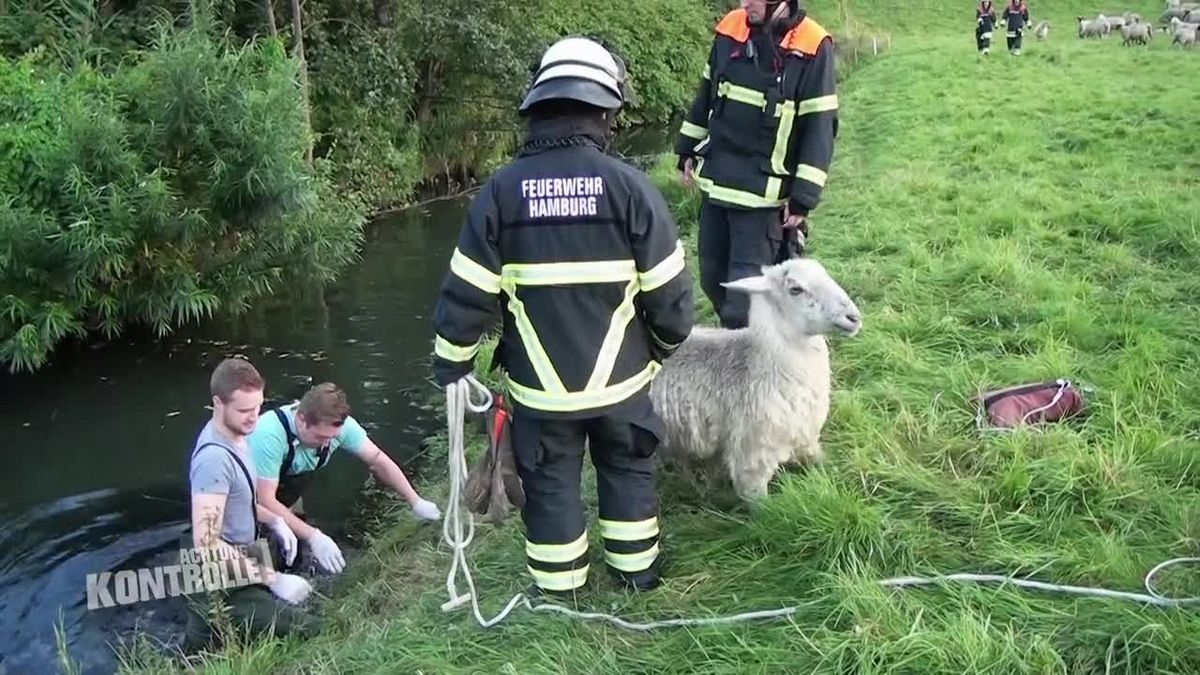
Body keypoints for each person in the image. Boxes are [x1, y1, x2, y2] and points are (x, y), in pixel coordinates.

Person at [430, 36, 694, 595]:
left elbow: (466, 294)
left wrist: (452, 368)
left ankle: (559, 591)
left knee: (549, 486)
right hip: (623, 385)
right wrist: (659, 351)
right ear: (605, 110)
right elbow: (673, 302)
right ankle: (636, 577)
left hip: (539, 394)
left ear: (539, 108)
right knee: (627, 474)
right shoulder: (631, 188)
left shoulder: (499, 193)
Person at [675, 0, 837, 329]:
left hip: (763, 200)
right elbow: (706, 94)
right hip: (717, 187)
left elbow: (820, 126)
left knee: (743, 301)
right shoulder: (730, 28)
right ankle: (760, 338)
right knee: (712, 279)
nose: (743, 3)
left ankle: (752, 364)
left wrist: (803, 197)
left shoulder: (812, 44)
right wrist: (686, 148)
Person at [184, 357, 319, 648]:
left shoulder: (239, 436)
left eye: (258, 407)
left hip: (240, 560)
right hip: (218, 583)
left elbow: (240, 500)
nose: (253, 417)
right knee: (311, 630)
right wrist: (274, 581)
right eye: (244, 410)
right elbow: (205, 542)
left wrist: (275, 520)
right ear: (217, 403)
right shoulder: (214, 459)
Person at [249, 382, 442, 575]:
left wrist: (415, 501)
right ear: (301, 420)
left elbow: (377, 459)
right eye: (321, 437)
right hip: (246, 500)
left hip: (287, 490)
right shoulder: (268, 436)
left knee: (296, 552)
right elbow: (265, 500)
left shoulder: (339, 429)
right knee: (263, 553)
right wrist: (314, 536)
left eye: (333, 438)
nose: (326, 444)